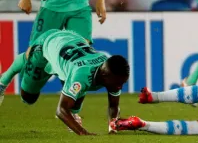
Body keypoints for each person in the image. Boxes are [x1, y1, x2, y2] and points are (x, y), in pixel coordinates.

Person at [0, 29, 129, 135]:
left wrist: (112, 129)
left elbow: (113, 106)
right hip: (48, 42)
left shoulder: (111, 71)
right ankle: (5, 79)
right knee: (28, 97)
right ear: (105, 75)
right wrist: (83, 133)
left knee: (75, 99)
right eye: (119, 83)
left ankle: (73, 114)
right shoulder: (82, 74)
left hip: (72, 40)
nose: (120, 86)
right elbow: (61, 110)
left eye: (122, 83)